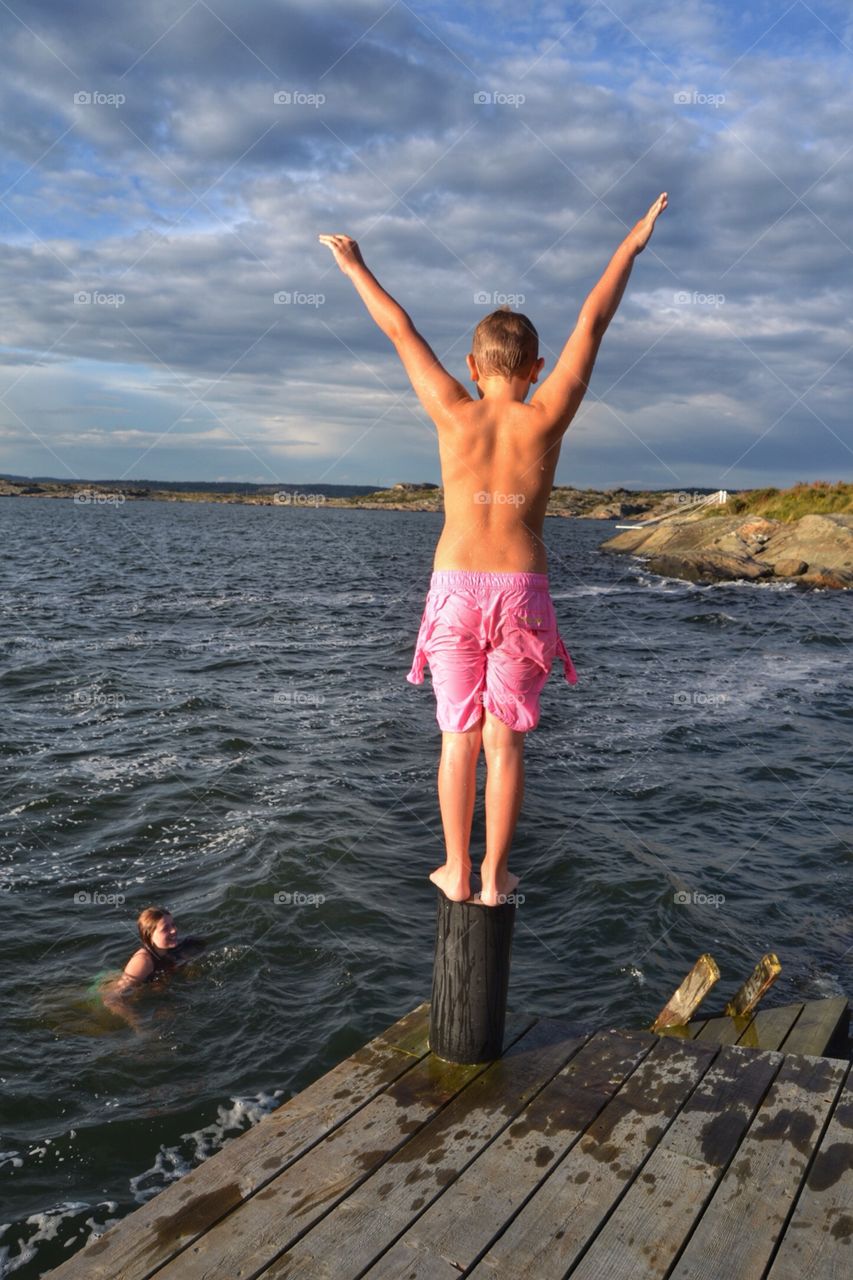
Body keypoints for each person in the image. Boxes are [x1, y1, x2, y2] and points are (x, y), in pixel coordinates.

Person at [319, 193, 668, 907]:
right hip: (520, 589)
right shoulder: (545, 414)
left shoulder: (452, 409)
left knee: (457, 738)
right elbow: (592, 321)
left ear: (474, 367)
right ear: (535, 365)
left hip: (453, 587)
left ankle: (452, 866)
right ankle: (494, 875)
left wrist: (354, 265)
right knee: (504, 741)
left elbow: (398, 331)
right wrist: (628, 246)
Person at [107, 906, 207, 997]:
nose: (174, 930)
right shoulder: (142, 961)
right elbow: (112, 997)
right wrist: (134, 1017)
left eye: (173, 925)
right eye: (165, 929)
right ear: (149, 936)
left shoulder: (175, 947)